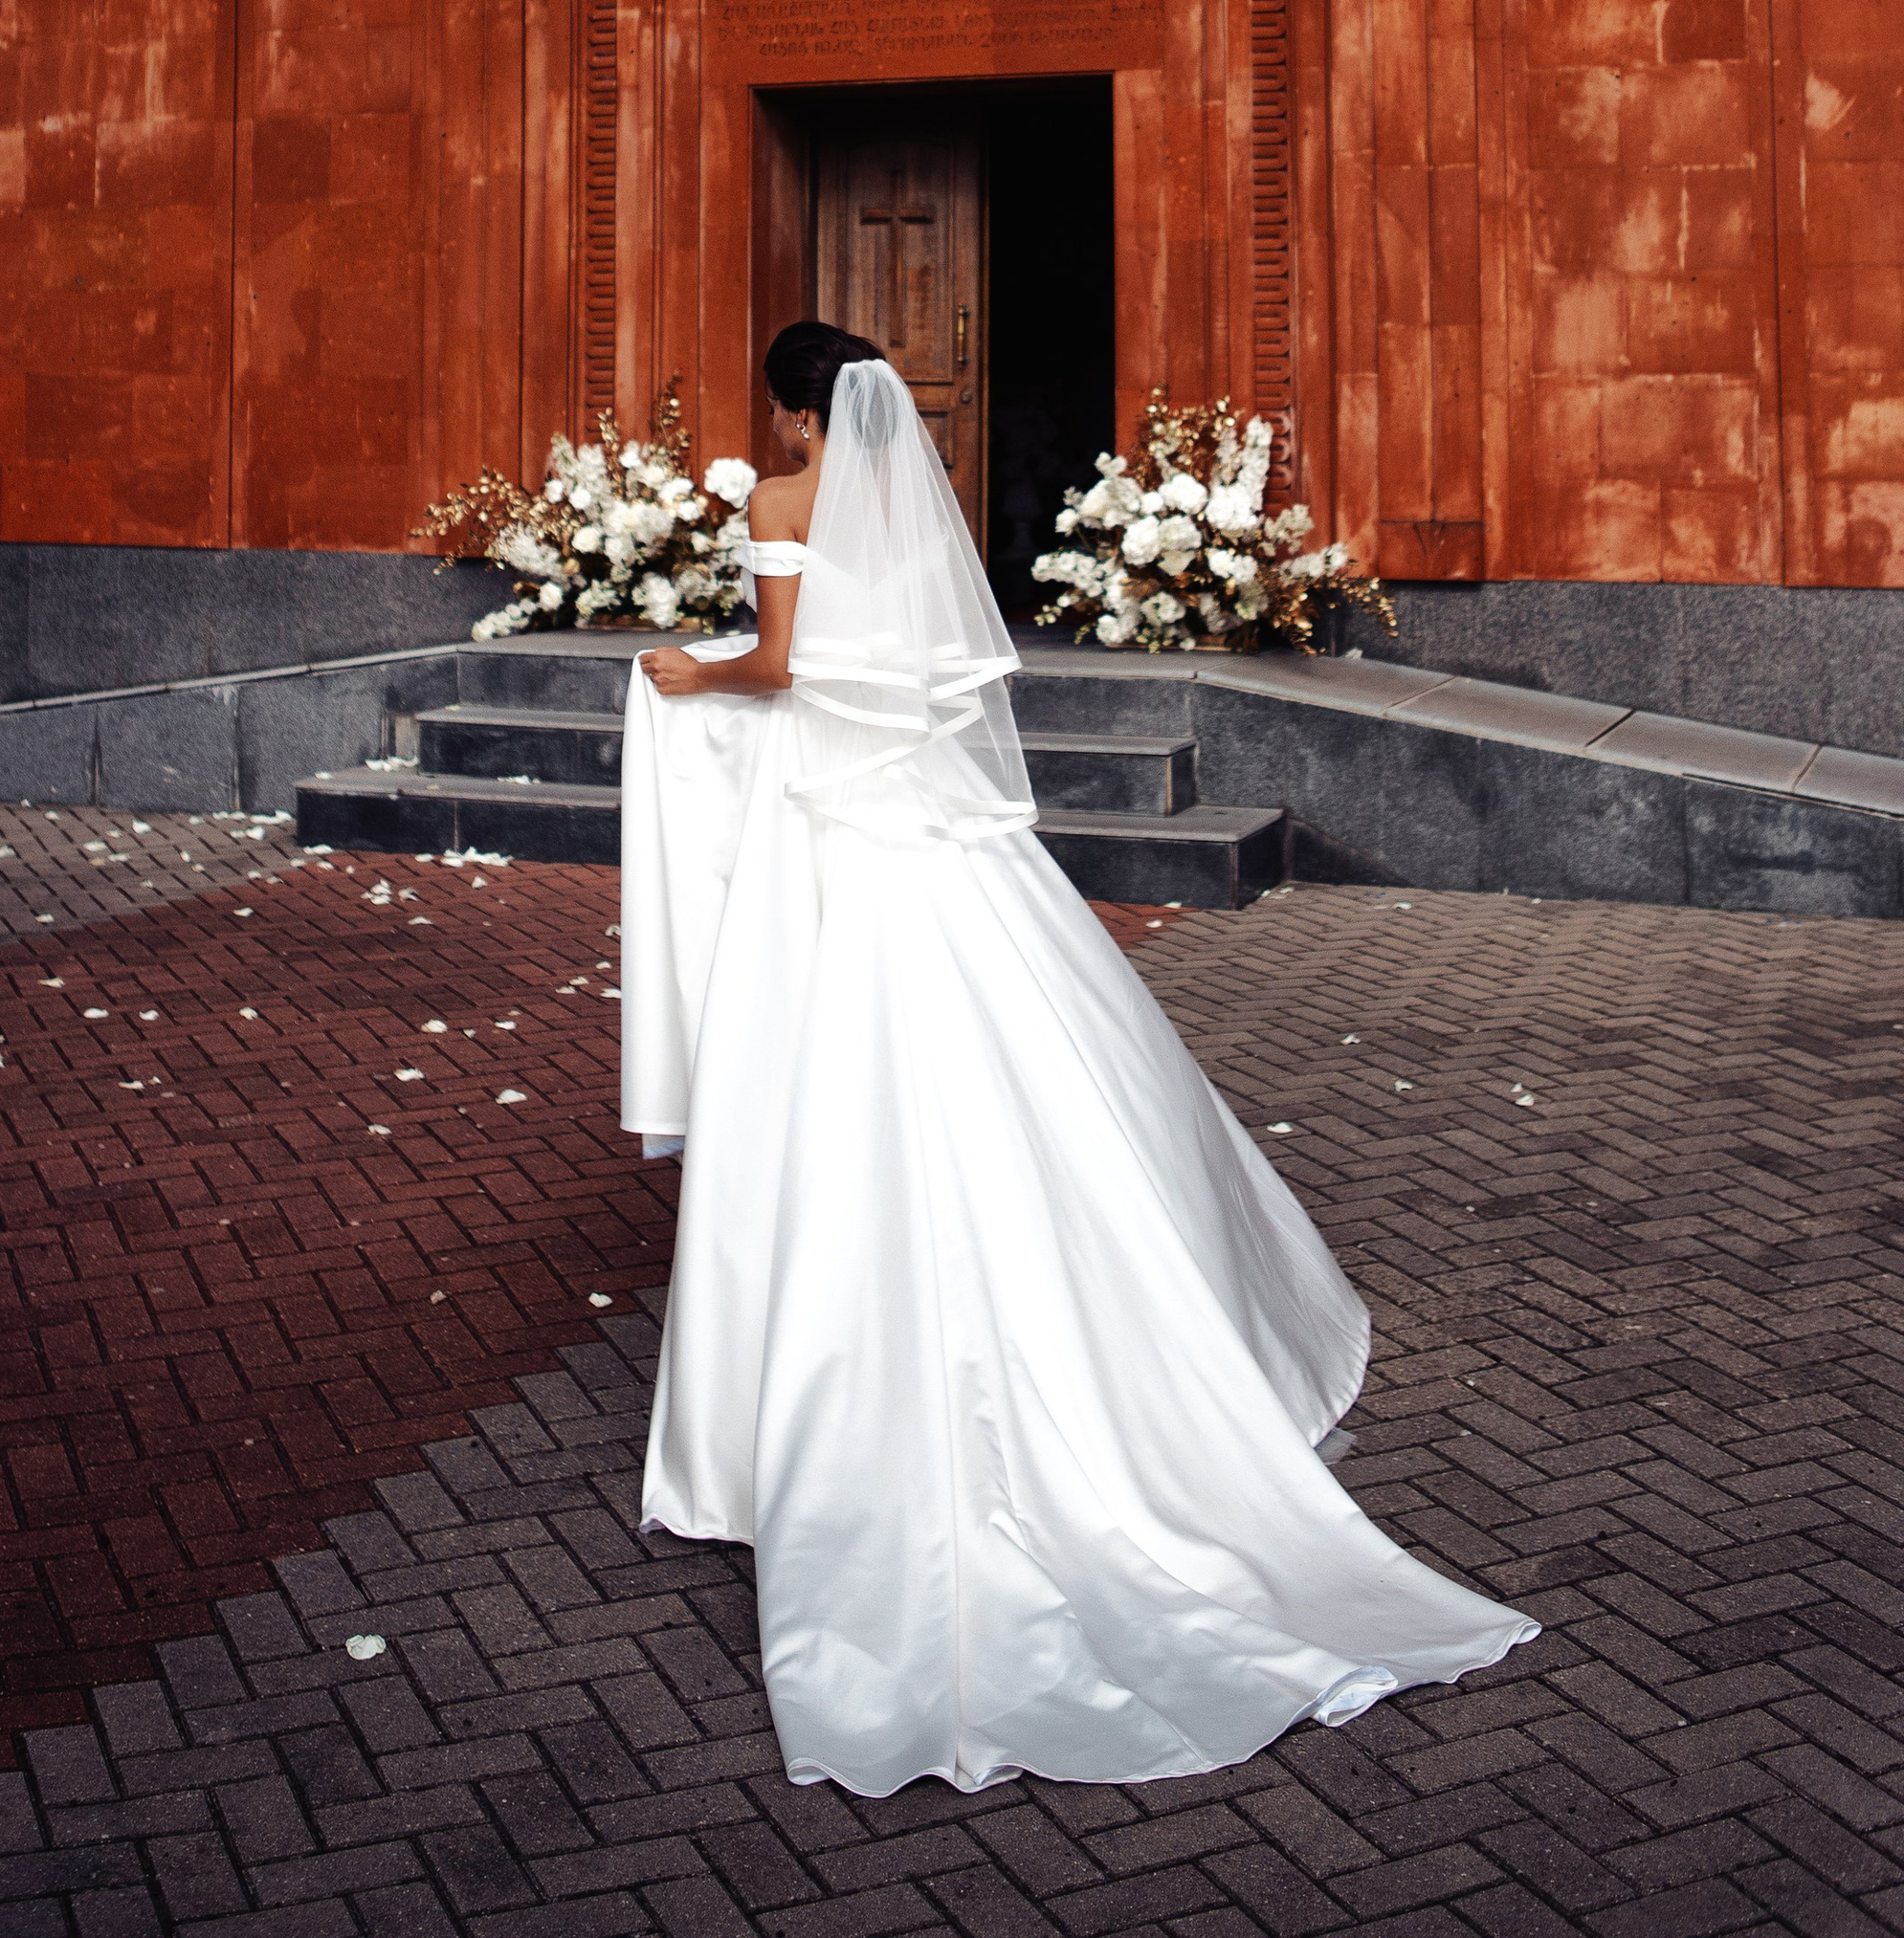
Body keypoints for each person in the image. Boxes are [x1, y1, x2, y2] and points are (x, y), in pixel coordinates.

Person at [619, 319, 1539, 1798]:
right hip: (932, 839)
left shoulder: (784, 504)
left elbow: (786, 665)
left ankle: (820, 1405)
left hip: (838, 852)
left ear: (796, 418)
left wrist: (686, 672)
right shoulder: (905, 518)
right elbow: (904, 674)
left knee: (835, 1103)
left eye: (780, 416)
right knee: (1031, 1070)